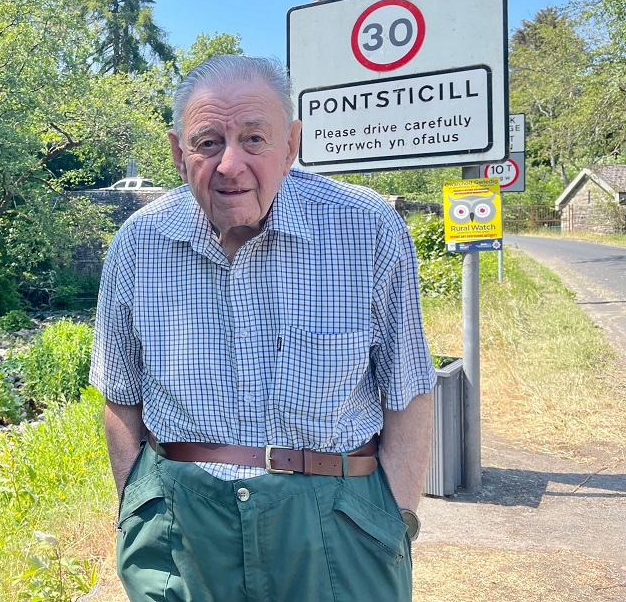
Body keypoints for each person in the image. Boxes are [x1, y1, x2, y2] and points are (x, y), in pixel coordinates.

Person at [90, 55, 435, 602]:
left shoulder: (366, 227)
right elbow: (120, 396)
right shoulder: (138, 243)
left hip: (337, 522)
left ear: (292, 144)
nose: (230, 164)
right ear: (180, 153)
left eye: (254, 138)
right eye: (208, 142)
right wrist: (137, 511)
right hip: (181, 528)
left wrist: (397, 521)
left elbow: (409, 389)